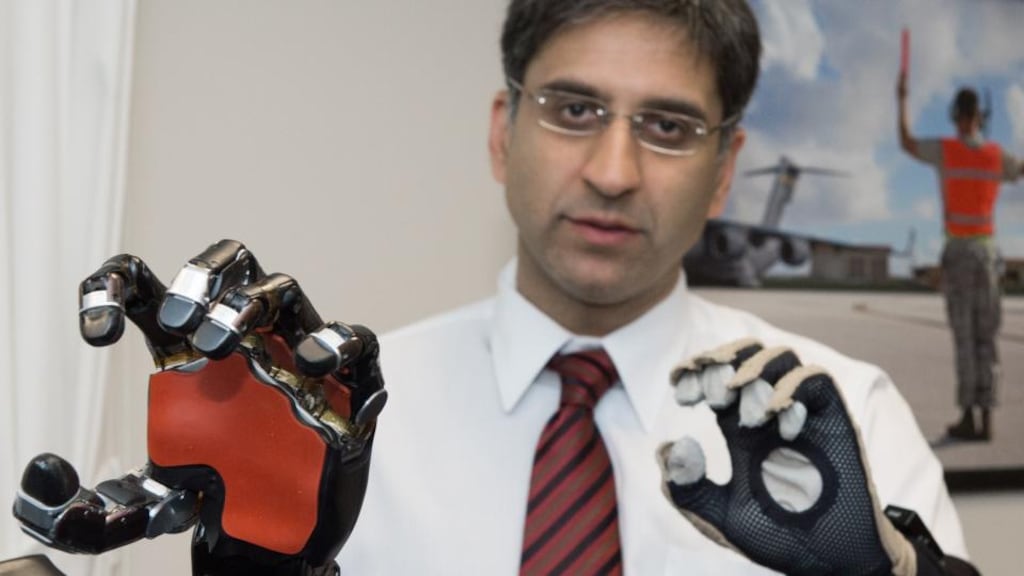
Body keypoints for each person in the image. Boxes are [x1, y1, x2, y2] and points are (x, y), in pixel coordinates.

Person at [335, 1, 970, 574]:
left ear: (724, 171)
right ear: (504, 135)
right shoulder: (348, 419)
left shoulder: (853, 422)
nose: (613, 174)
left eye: (668, 127)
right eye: (575, 110)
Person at [897, 75, 1024, 442]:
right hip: (986, 255)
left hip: (958, 253)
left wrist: (902, 98)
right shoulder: (996, 157)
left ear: (955, 117)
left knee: (965, 339)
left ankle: (969, 415)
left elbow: (906, 143)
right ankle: (987, 418)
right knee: (987, 338)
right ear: (980, 117)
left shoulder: (947, 151)